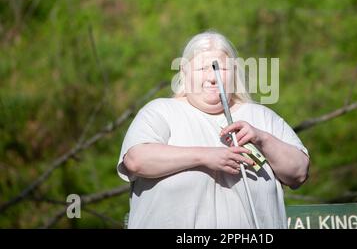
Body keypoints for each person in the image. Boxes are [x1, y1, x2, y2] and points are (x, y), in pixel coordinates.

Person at [117, 31, 310, 228]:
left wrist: (262, 139)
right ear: (184, 71)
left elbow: (299, 172)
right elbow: (136, 160)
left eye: (221, 69)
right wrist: (205, 157)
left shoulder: (261, 116)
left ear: (234, 71)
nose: (212, 78)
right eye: (202, 68)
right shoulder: (160, 111)